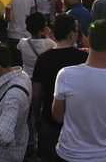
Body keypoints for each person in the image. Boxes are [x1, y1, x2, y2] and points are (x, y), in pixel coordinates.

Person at [53, 19, 106, 162]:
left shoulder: (65, 75)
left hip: (68, 153)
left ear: (89, 40)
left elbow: (58, 115)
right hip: (103, 155)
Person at [31, 14, 88, 161]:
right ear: (71, 34)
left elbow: (36, 93)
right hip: (78, 121)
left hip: (50, 118)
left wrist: (36, 115)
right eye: (77, 31)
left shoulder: (43, 58)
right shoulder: (83, 59)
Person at [5, 0, 36, 67]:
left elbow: (7, 18)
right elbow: (33, 14)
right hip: (27, 35)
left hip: (13, 35)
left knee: (15, 64)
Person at [17, 12, 56, 78]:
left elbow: (18, 47)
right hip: (41, 78)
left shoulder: (22, 42)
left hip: (26, 78)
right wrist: (50, 36)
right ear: (43, 28)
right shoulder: (48, 43)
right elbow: (60, 46)